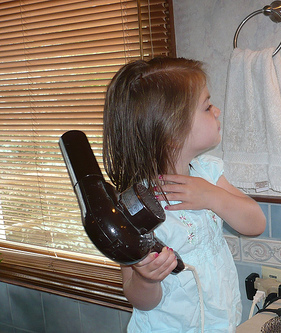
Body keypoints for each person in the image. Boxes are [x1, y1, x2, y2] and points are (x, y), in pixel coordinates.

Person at [102, 56, 266, 332]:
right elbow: (141, 301)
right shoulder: (135, 207)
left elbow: (256, 223)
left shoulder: (209, 173)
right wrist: (147, 279)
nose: (217, 111)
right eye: (206, 106)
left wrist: (212, 196)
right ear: (173, 133)